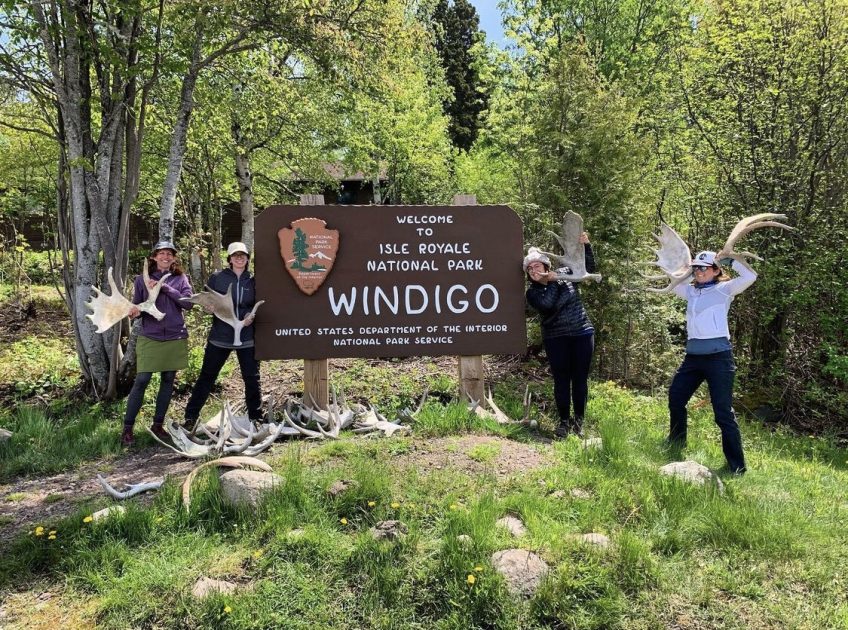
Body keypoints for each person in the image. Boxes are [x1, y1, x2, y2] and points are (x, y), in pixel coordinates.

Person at [667, 251, 756, 474]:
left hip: (719, 358)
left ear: (716, 270)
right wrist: (688, 269)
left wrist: (730, 260)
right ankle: (677, 442)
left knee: (723, 413)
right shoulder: (690, 291)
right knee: (676, 398)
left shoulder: (724, 290)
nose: (699, 272)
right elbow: (672, 280)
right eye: (696, 268)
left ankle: (737, 466)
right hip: (693, 358)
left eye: (704, 268)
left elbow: (750, 277)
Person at [524, 233, 596, 438]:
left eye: (537, 266)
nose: (533, 270)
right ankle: (564, 422)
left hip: (582, 332)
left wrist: (586, 246)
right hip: (556, 338)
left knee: (580, 380)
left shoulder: (566, 273)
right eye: (530, 269)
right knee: (561, 380)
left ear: (546, 266)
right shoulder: (533, 293)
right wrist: (554, 280)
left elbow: (587, 269)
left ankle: (579, 422)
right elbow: (547, 305)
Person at [183, 241, 262, 428]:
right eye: (236, 255)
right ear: (230, 259)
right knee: (207, 376)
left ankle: (255, 418)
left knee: (251, 377)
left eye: (243, 255)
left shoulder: (254, 280)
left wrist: (250, 315)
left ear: (248, 258)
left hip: (247, 336)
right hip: (220, 337)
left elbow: (259, 303)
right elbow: (207, 301)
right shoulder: (217, 278)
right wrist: (208, 309)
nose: (239, 258)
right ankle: (190, 417)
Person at [122, 241, 194, 446]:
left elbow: (188, 303)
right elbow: (137, 305)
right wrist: (134, 311)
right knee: (142, 379)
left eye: (169, 254)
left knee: (168, 379)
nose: (165, 257)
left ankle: (158, 425)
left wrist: (165, 287)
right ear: (154, 257)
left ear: (173, 258)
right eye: (161, 253)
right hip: (150, 336)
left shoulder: (180, 279)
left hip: (174, 335)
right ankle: (127, 428)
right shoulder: (141, 280)